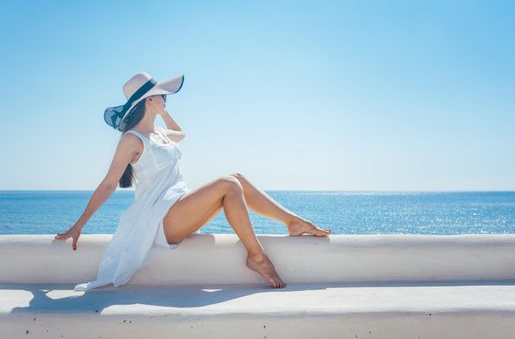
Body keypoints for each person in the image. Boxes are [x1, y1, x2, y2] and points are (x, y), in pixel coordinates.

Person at [55, 71, 331, 290]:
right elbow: (107, 184)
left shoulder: (159, 135)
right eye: (162, 96)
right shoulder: (132, 139)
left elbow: (181, 132)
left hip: (178, 207)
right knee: (229, 184)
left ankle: (293, 222)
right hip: (158, 219)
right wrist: (79, 225)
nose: (166, 99)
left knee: (237, 178)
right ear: (149, 100)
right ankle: (257, 257)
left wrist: (161, 111)